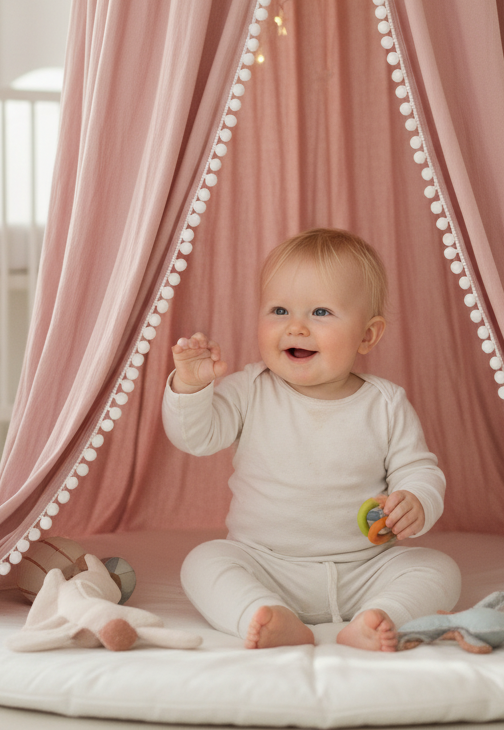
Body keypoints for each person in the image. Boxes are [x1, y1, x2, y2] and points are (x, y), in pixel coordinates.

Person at [162, 228, 461, 651]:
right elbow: (196, 437)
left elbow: (418, 470)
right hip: (267, 563)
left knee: (439, 569)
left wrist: (416, 501)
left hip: (366, 566)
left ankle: (381, 616)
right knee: (203, 562)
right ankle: (262, 613)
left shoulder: (385, 403)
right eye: (279, 310)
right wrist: (191, 387)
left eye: (320, 312)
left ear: (368, 335)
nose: (296, 327)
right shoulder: (250, 388)